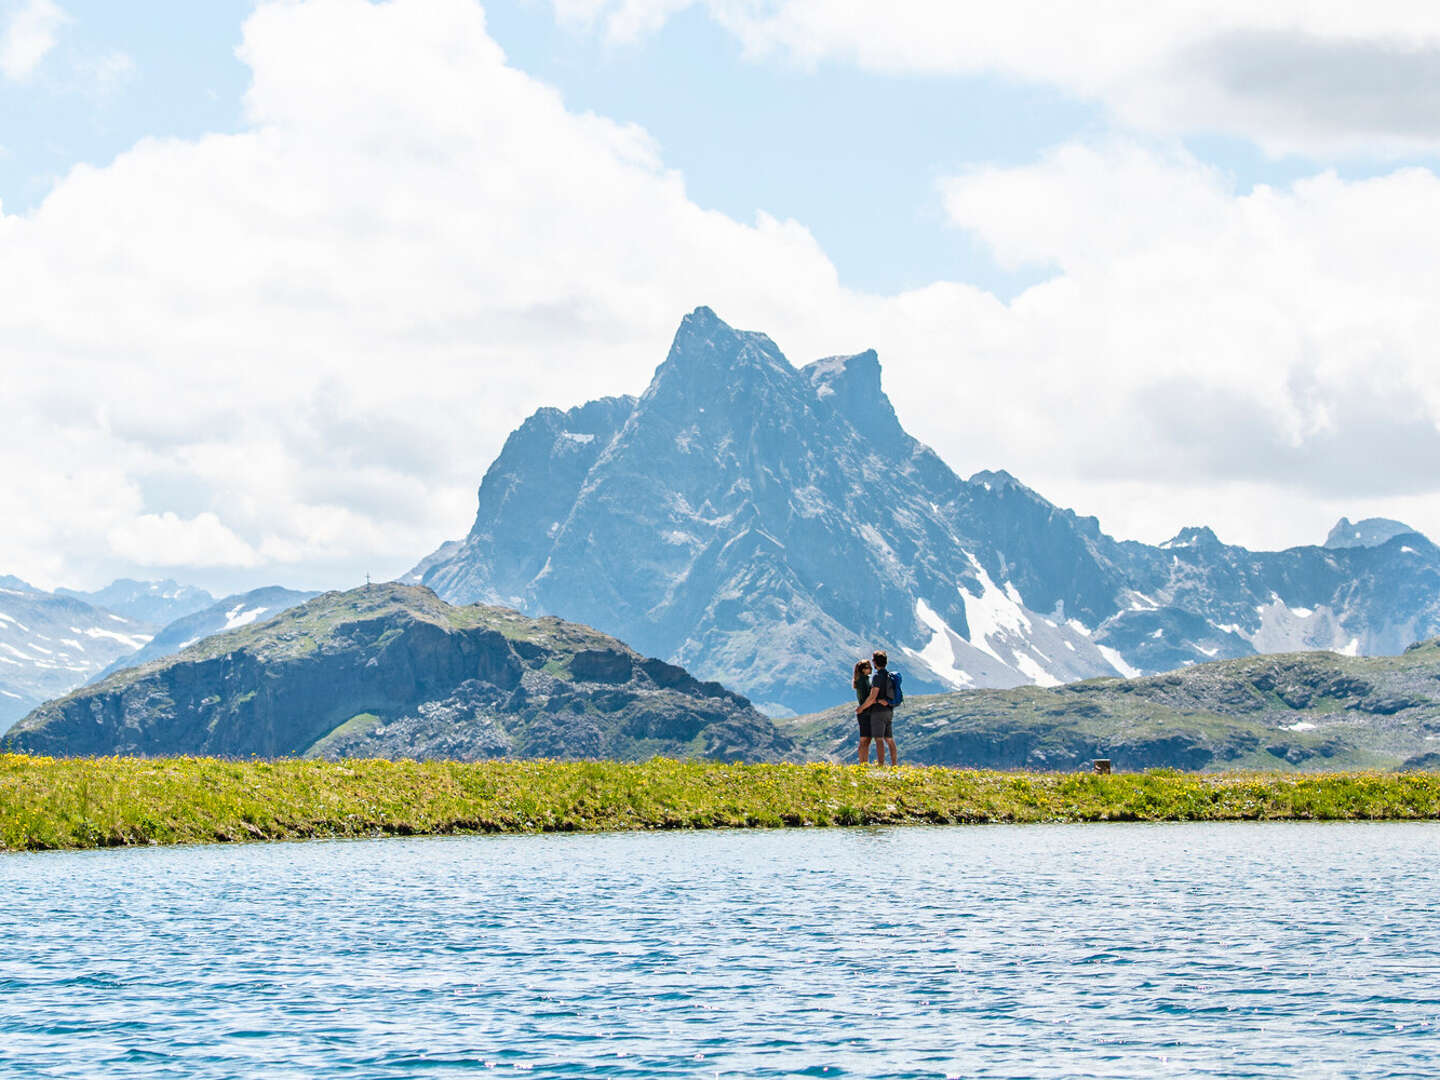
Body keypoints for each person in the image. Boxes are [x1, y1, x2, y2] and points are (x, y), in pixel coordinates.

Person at [855, 650, 898, 766]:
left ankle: (881, 765)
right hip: (889, 709)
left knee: (878, 739)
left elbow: (872, 697)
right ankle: (894, 764)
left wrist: (861, 708)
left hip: (878, 711)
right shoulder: (889, 675)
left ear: (875, 662)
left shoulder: (877, 677)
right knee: (889, 739)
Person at [852, 658, 875, 764]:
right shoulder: (862, 681)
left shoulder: (865, 679)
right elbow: (867, 697)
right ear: (862, 670)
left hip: (866, 712)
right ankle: (863, 763)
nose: (870, 669)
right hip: (865, 712)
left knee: (867, 739)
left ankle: (864, 762)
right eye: (868, 667)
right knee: (864, 739)